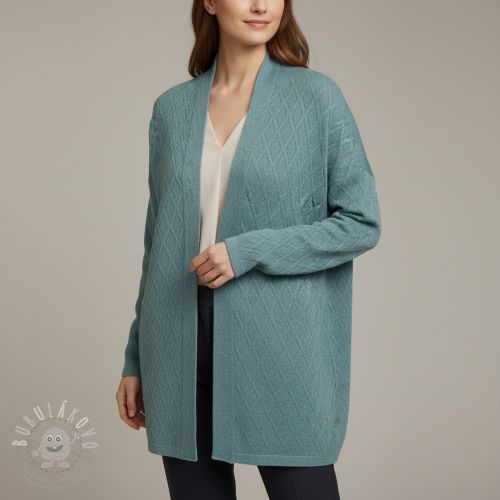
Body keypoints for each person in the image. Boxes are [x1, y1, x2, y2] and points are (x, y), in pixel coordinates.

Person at [116, 1, 382, 499]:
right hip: (176, 336)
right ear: (210, 3)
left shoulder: (316, 98)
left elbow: (361, 222)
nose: (261, 5)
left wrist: (250, 251)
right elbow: (157, 246)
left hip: (279, 338)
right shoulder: (172, 109)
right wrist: (135, 357)